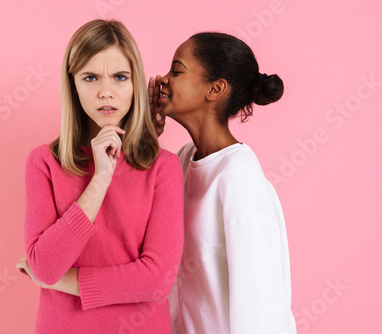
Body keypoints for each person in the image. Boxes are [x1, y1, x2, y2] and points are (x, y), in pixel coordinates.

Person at [15, 19, 184, 334]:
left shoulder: (163, 168)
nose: (106, 91)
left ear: (135, 83)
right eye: (90, 77)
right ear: (73, 84)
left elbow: (158, 280)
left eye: (120, 77)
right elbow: (45, 266)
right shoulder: (43, 163)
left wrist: (68, 282)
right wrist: (100, 181)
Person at [149, 32, 297, 334]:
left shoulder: (240, 181)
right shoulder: (184, 159)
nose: (162, 79)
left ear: (215, 89)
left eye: (177, 70)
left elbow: (262, 310)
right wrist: (146, 139)